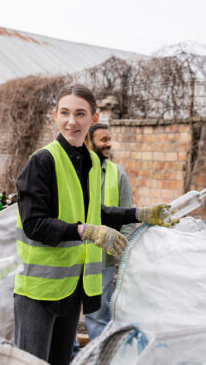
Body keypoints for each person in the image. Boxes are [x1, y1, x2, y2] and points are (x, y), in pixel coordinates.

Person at [14, 84, 175, 365]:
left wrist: (140, 214)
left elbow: (94, 213)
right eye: (64, 113)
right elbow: (34, 224)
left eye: (80, 114)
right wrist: (84, 231)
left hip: (72, 290)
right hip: (37, 292)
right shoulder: (42, 162)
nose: (71, 121)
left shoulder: (88, 161)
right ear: (55, 115)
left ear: (93, 117)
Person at [84, 123, 135, 341]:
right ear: (90, 142)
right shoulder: (76, 171)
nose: (109, 144)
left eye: (109, 139)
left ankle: (99, 357)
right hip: (70, 255)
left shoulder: (117, 174)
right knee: (64, 312)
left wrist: (121, 252)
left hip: (102, 259)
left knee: (97, 314)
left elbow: (129, 216)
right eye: (103, 140)